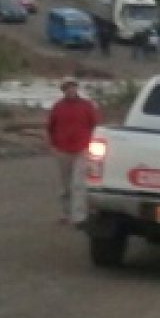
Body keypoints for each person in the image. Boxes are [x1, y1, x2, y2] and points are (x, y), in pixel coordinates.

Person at [46, 76, 101, 226]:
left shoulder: (87, 106)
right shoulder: (57, 107)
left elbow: (95, 125)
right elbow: (50, 127)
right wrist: (53, 146)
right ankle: (65, 213)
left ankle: (79, 216)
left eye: (72, 86)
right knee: (65, 184)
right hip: (62, 150)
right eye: (67, 87)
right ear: (63, 90)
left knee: (78, 184)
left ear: (76, 88)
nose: (70, 89)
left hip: (82, 149)